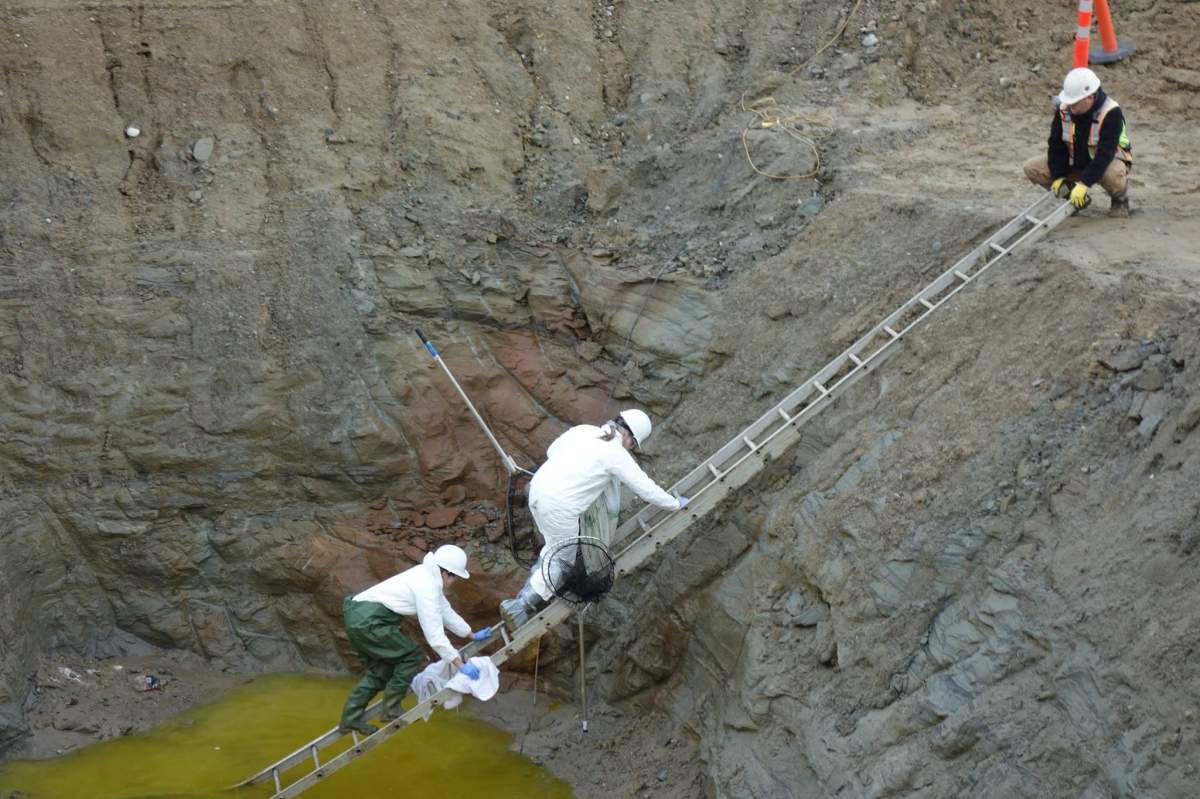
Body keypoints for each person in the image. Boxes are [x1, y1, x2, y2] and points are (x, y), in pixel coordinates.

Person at [499, 409, 689, 629]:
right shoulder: (615, 453)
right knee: (562, 561)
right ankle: (520, 606)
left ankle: (526, 594)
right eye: (633, 444)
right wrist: (674, 504)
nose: (631, 448)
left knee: (553, 548)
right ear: (628, 436)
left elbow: (552, 451)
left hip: (537, 492)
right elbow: (646, 489)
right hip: (560, 507)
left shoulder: (584, 430)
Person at [338, 544, 488, 736]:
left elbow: (445, 612)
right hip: (370, 623)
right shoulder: (427, 587)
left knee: (379, 672)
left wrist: (471, 634)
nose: (453, 581)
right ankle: (391, 708)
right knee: (411, 655)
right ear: (445, 573)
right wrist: (460, 665)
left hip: (359, 619)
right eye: (454, 577)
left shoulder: (426, 576)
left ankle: (350, 719)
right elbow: (435, 637)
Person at [1023, 67, 1133, 218]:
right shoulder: (1064, 109)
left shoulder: (1111, 112)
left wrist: (1085, 183)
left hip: (1106, 163)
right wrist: (1058, 176)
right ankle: (1075, 199)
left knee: (1112, 175)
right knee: (1032, 168)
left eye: (1074, 102)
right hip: (1075, 162)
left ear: (1089, 97)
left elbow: (1104, 155)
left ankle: (1120, 200)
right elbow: (1056, 146)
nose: (1070, 106)